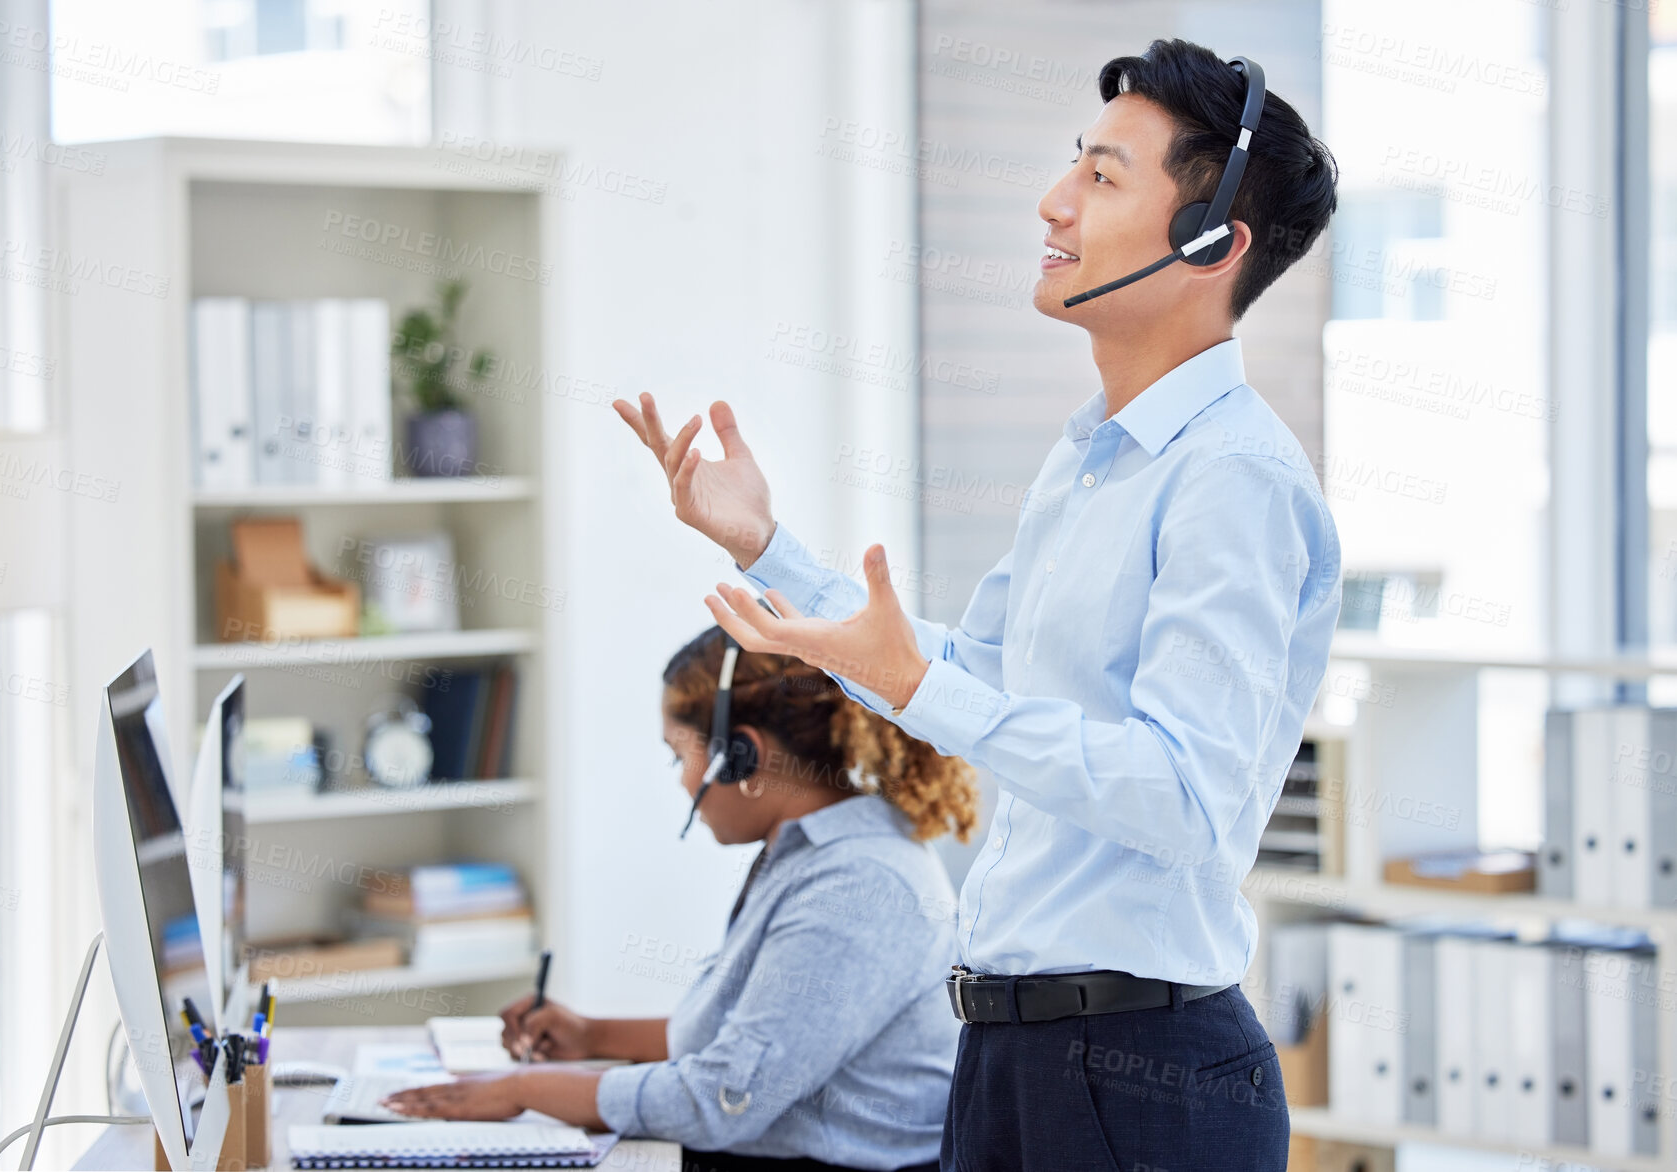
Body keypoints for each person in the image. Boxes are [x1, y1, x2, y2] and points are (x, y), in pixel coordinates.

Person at [610, 38, 1342, 1172]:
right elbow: (976, 679)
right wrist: (768, 549)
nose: (1053, 202)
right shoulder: (1091, 459)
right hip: (1010, 1054)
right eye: (1072, 166)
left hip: (1135, 1070)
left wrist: (923, 687)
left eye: (1101, 178)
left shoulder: (1232, 479)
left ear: (1211, 241)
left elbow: (1185, 795)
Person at [384, 625, 978, 1172]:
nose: (680, 782)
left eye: (680, 756)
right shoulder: (810, 856)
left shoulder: (860, 885)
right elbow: (744, 1041)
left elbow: (722, 1098)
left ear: (741, 756)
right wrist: (591, 1037)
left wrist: (519, 1090)